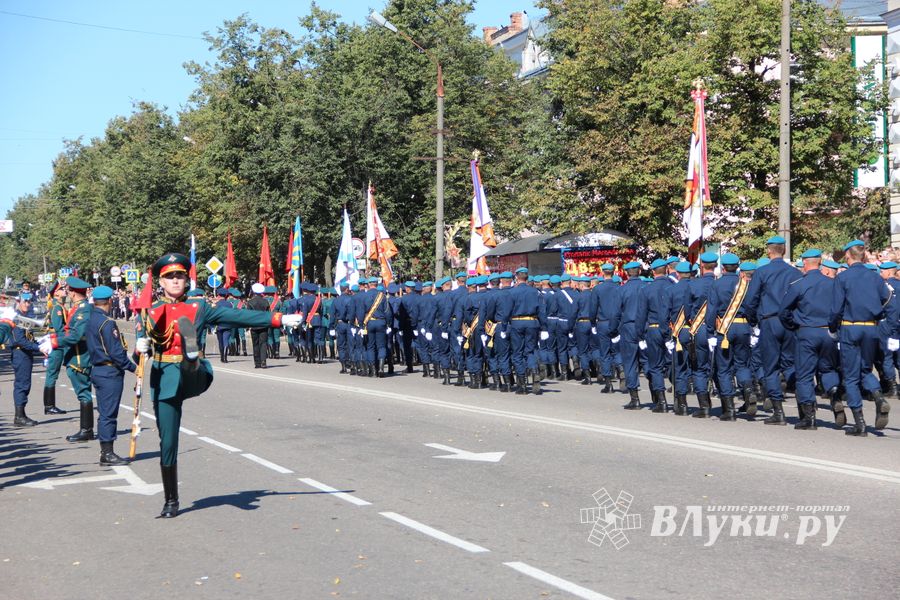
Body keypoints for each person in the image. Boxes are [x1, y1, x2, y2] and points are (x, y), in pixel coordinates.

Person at [133, 253, 304, 518]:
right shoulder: (150, 312)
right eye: (170, 277)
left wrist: (277, 319)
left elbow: (236, 316)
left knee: (190, 364)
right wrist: (139, 348)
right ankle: (171, 500)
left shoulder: (199, 308)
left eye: (180, 276)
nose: (176, 281)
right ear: (162, 282)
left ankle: (191, 357)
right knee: (167, 440)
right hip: (163, 377)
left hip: (194, 375)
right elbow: (138, 360)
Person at [830, 240, 892, 436]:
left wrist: (833, 327)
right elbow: (887, 299)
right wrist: (876, 314)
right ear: (864, 256)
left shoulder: (843, 277)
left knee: (850, 375)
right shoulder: (875, 277)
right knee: (866, 369)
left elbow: (836, 308)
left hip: (851, 327)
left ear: (848, 256)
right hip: (871, 328)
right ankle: (879, 397)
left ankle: (860, 423)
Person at [779, 249, 842, 430]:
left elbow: (783, 311)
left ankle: (809, 418)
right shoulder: (832, 284)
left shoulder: (800, 284)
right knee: (828, 369)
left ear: (805, 264)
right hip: (828, 332)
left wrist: (792, 325)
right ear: (820, 263)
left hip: (807, 332)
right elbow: (839, 307)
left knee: (805, 375)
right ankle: (834, 393)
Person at [85, 286, 136, 464]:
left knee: (104, 412)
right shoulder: (107, 323)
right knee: (109, 413)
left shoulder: (91, 319)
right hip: (109, 371)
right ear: (109, 301)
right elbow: (115, 351)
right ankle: (107, 453)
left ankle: (105, 450)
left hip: (98, 370)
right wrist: (132, 367)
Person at [41, 277, 95, 442]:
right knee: (82, 394)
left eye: (69, 291)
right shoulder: (78, 308)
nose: (68, 293)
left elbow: (76, 335)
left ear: (73, 293)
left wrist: (54, 341)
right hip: (74, 356)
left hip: (79, 358)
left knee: (84, 394)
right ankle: (85, 429)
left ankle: (86, 430)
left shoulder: (84, 309)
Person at [2, 296, 45, 427]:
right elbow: (19, 340)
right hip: (20, 353)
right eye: (24, 301)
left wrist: (41, 344)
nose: (27, 303)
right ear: (18, 302)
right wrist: (37, 347)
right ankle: (19, 416)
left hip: (26, 353)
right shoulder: (16, 318)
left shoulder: (25, 317)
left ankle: (21, 414)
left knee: (25, 384)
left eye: (29, 301)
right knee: (22, 384)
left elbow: (29, 337)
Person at [41, 281, 68, 415]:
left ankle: (49, 405)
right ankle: (49, 405)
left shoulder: (59, 306)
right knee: (52, 375)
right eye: (62, 289)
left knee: (52, 374)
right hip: (57, 344)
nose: (65, 290)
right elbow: (59, 328)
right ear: (56, 293)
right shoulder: (57, 308)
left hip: (57, 343)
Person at [247, 283, 271, 368]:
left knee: (255, 344)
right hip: (264, 325)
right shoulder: (265, 302)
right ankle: (263, 361)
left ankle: (257, 363)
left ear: (253, 291)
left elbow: (248, 315)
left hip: (254, 325)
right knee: (263, 343)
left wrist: (248, 325)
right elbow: (269, 314)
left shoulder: (250, 302)